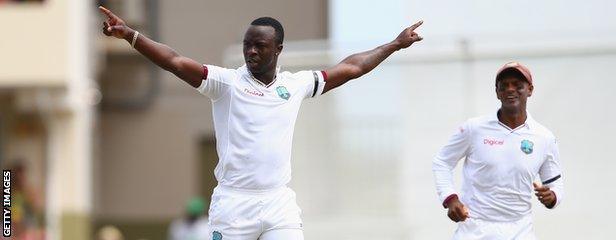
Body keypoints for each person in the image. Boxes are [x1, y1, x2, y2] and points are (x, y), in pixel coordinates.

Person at [98, 6, 423, 240]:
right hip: (233, 204)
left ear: (278, 49)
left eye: (260, 46)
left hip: (277, 201)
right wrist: (131, 35)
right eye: (247, 45)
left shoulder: (295, 85)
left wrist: (393, 44)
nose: (251, 51)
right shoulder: (225, 83)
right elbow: (175, 61)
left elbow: (351, 68)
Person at [432, 62, 564, 239]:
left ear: (530, 90)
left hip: (520, 230)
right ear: (497, 92)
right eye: (504, 85)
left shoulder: (544, 137)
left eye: (518, 85)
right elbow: (442, 162)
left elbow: (555, 184)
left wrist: (552, 196)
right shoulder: (474, 128)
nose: (511, 89)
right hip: (475, 228)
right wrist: (450, 198)